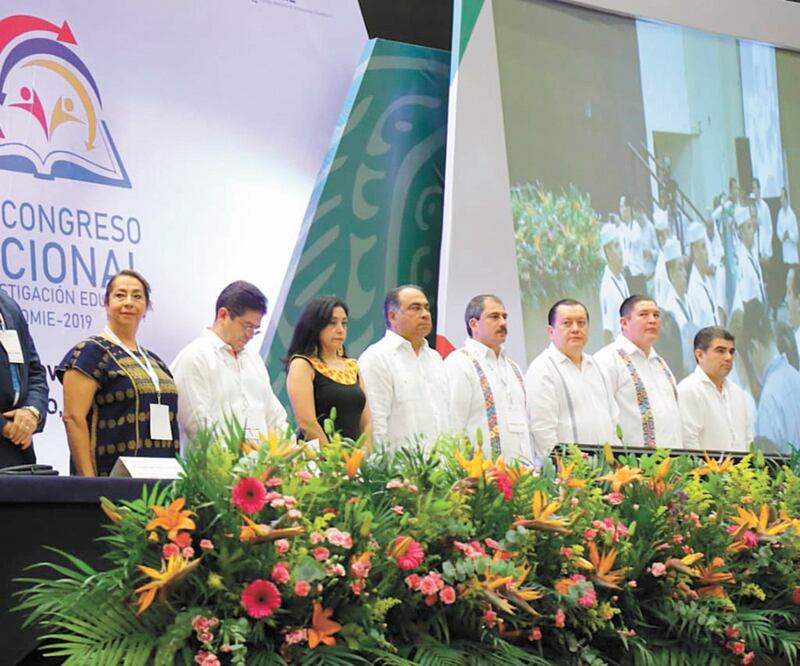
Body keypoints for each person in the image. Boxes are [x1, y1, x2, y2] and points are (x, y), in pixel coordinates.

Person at [58, 271, 179, 476]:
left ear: (146, 307)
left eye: (137, 296)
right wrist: (90, 483)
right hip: (111, 480)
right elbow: (73, 418)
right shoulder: (90, 352)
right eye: (120, 295)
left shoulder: (155, 362)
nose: (129, 302)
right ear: (106, 304)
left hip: (160, 479)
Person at [171, 281, 288, 444]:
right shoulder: (194, 357)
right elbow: (198, 427)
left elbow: (274, 415)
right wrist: (232, 462)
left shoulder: (253, 359)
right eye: (246, 326)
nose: (250, 335)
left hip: (262, 466)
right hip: (216, 467)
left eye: (255, 329)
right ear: (223, 315)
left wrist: (282, 454)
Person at [524, 299, 618, 464]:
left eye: (581, 323)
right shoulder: (542, 368)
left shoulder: (598, 366)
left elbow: (613, 419)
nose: (575, 329)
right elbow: (542, 430)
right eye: (567, 323)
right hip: (568, 475)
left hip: (606, 472)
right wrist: (563, 466)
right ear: (551, 332)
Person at [358, 285, 448, 449]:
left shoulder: (434, 358)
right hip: (400, 470)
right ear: (392, 316)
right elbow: (375, 424)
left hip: (441, 467)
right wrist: (384, 471)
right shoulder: (376, 357)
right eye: (415, 308)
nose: (425, 314)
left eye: (427, 308)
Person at [444, 295, 530, 460]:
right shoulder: (459, 363)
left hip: (521, 476)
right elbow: (453, 426)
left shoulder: (514, 367)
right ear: (473, 324)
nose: (503, 323)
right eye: (494, 317)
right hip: (481, 478)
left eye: (504, 317)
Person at [594, 295, 682, 449]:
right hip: (630, 466)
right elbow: (601, 419)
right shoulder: (607, 360)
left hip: (672, 465)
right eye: (643, 314)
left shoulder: (660, 363)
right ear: (624, 323)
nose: (652, 320)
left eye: (656, 315)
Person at [285, 296, 371, 443]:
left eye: (344, 323)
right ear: (315, 326)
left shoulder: (352, 366)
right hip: (321, 460)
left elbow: (367, 422)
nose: (340, 330)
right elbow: (306, 422)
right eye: (332, 323)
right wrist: (333, 460)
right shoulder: (302, 364)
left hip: (354, 460)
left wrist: (362, 457)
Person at [677, 327, 751, 451]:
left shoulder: (737, 393)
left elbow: (748, 440)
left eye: (731, 351)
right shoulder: (688, 389)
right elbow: (688, 443)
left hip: (741, 469)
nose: (728, 357)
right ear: (700, 355)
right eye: (720, 351)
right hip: (705, 470)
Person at [740, 300, 800, 454]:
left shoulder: (769, 397)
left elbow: (768, 467)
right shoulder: (796, 377)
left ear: (754, 348)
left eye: (750, 360)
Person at [0, 291, 48, 468]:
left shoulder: (9, 306)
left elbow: (34, 372)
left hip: (15, 450)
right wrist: (4, 426)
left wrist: (31, 412)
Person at [599, 222, 630, 344]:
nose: (621, 251)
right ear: (608, 252)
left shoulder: (621, 279)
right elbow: (608, 334)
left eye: (620, 246)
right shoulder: (607, 286)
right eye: (616, 246)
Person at [777, 187, 798, 270]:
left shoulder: (792, 215)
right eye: (780, 197)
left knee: (790, 280)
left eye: (782, 197)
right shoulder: (780, 214)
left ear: (786, 198)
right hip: (784, 251)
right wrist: (782, 236)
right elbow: (778, 230)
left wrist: (789, 235)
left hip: (792, 253)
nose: (781, 200)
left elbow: (796, 236)